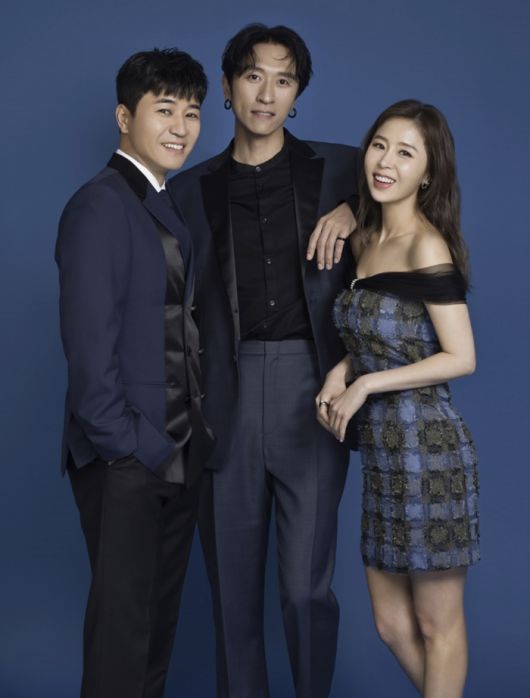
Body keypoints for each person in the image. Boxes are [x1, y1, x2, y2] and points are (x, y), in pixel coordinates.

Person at [168, 23, 360, 698]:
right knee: (233, 593)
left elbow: (423, 202)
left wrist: (357, 212)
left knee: (306, 589)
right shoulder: (188, 192)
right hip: (224, 390)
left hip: (315, 388)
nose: (267, 93)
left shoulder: (344, 170)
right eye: (253, 76)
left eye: (283, 80)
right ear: (227, 87)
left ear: (298, 93)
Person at [55, 49, 214, 698]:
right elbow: (89, 350)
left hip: (177, 450)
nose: (181, 127)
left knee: (153, 635)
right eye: (164, 110)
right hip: (128, 457)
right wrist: (130, 447)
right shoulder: (99, 205)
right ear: (125, 117)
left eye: (192, 113)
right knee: (122, 641)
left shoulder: (162, 202)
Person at [317, 99, 480, 698]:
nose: (386, 162)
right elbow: (383, 338)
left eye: (406, 153)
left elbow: (461, 356)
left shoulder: (425, 245)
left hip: (429, 452)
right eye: (380, 145)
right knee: (390, 625)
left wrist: (364, 384)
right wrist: (341, 370)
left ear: (428, 174)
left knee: (438, 625)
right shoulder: (367, 237)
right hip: (384, 456)